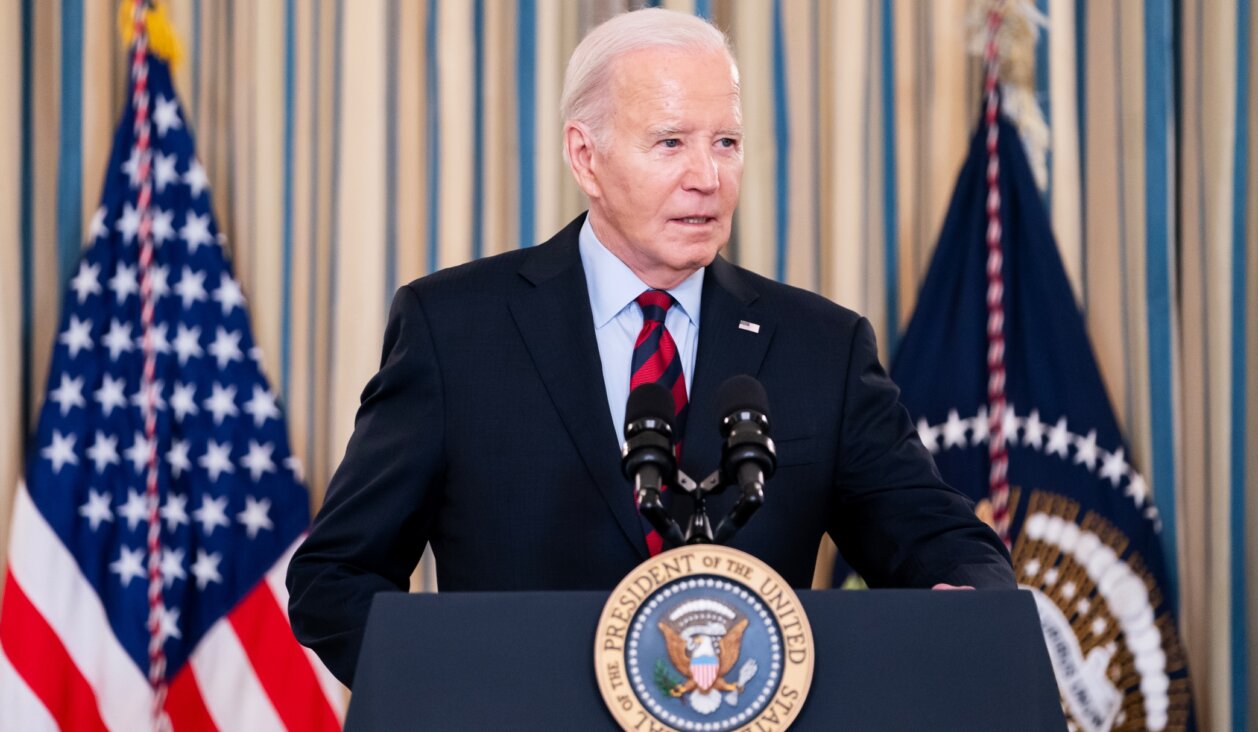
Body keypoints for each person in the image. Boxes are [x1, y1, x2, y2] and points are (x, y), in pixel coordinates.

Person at [286, 8, 1015, 687]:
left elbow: (942, 541)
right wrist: (464, 695)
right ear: (586, 156)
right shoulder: (454, 329)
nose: (708, 177)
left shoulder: (821, 346)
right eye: (671, 142)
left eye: (725, 142)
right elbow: (336, 577)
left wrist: (964, 595)